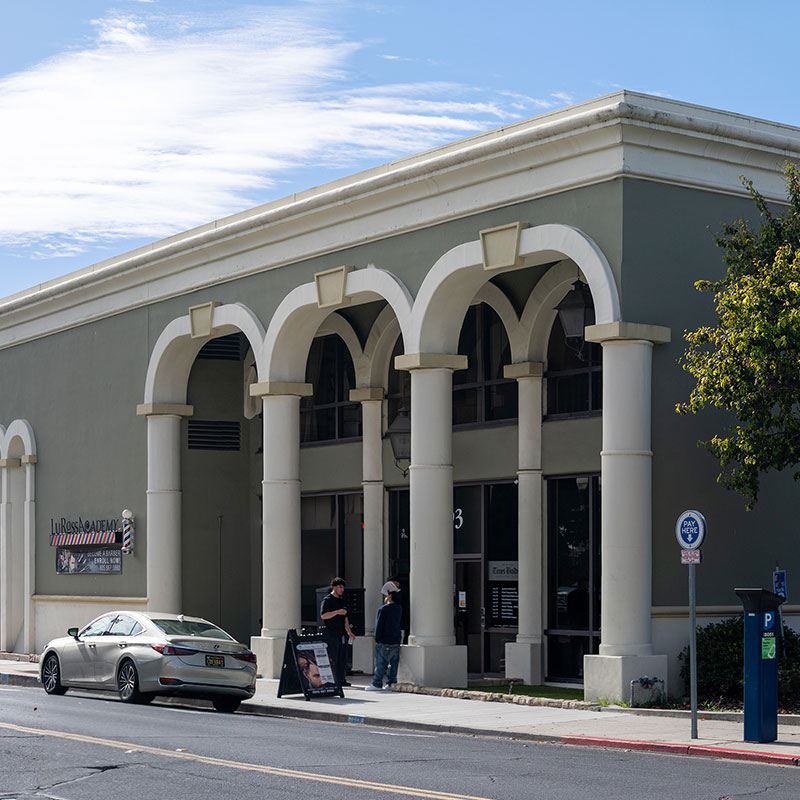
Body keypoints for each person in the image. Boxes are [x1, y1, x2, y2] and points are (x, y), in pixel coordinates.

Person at [319, 577, 355, 687]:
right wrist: (337, 612)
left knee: (342, 658)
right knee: (332, 657)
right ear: (334, 587)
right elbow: (323, 615)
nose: (342, 589)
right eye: (340, 587)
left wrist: (349, 631)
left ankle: (341, 680)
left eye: (343, 587)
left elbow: (345, 618)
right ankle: (332, 680)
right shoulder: (327, 600)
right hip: (331, 633)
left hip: (341, 633)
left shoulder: (342, 601)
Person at [365, 588, 402, 691]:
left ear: (389, 596)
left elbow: (379, 625)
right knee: (393, 664)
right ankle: (391, 683)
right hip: (395, 639)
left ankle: (377, 683)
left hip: (384, 640)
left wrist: (377, 638)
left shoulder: (384, 609)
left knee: (380, 663)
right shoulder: (399, 608)